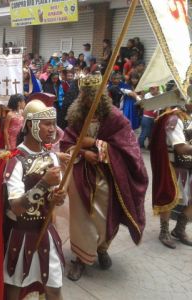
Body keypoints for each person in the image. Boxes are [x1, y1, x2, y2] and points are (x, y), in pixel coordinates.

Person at [0, 99, 66, 300]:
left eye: (53, 123)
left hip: (46, 234)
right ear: (30, 125)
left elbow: (52, 199)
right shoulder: (15, 161)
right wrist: (43, 184)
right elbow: (16, 208)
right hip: (21, 237)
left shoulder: (52, 157)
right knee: (15, 292)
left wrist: (57, 197)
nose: (52, 129)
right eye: (46, 124)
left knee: (54, 289)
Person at [61, 74, 148, 281]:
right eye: (86, 95)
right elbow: (66, 144)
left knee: (105, 216)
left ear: (102, 96)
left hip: (107, 175)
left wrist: (97, 145)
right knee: (81, 218)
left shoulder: (115, 117)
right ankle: (81, 259)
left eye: (94, 95)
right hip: (81, 174)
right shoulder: (76, 116)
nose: (89, 100)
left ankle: (101, 248)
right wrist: (83, 152)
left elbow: (128, 147)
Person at [150, 100, 192, 248]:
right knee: (168, 196)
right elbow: (180, 148)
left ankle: (179, 229)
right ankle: (164, 232)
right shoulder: (174, 118)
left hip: (190, 163)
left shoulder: (189, 116)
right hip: (173, 165)